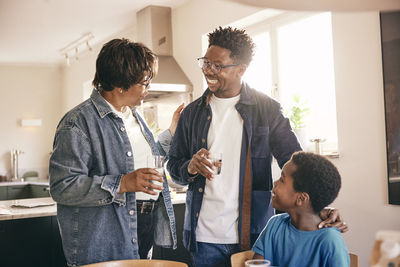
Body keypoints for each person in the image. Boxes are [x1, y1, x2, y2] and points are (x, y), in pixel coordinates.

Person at [167, 26, 348, 267]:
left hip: (255, 234)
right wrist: (189, 167)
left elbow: (297, 163)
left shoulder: (267, 109)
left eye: (217, 66)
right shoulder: (191, 114)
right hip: (204, 238)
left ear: (241, 69)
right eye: (205, 63)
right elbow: (174, 166)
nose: (208, 71)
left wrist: (317, 206)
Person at [49, 38, 184, 266]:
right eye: (144, 83)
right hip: (105, 237)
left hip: (143, 225)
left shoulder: (134, 116)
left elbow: (144, 161)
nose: (148, 89)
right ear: (120, 85)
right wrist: (122, 183)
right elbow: (63, 187)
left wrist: (171, 131)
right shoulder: (77, 123)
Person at [252, 151, 350, 266]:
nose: (275, 183)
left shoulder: (330, 240)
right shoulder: (275, 224)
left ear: (301, 199)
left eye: (282, 180)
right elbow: (255, 264)